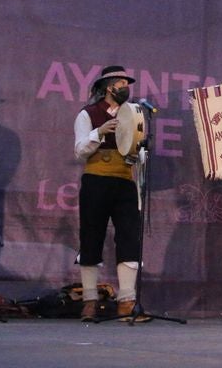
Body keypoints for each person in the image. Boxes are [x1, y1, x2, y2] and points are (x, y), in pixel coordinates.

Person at [73, 65, 149, 322]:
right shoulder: (88, 114)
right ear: (108, 87)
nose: (125, 89)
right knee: (91, 237)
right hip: (96, 179)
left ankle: (127, 300)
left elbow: (137, 149)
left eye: (127, 84)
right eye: (121, 84)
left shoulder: (134, 113)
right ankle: (90, 300)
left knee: (129, 236)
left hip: (124, 180)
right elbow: (80, 150)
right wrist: (100, 131)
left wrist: (137, 150)